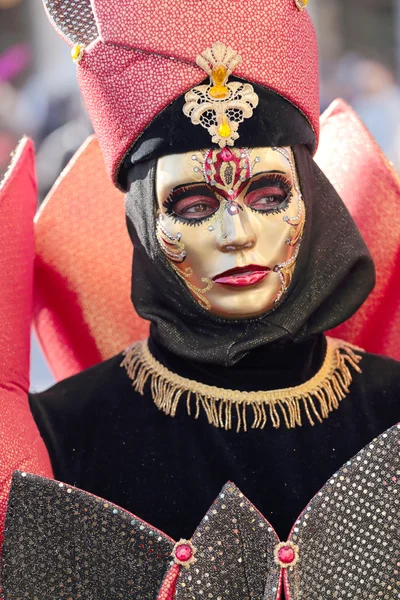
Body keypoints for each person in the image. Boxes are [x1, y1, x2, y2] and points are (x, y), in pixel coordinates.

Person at [1, 0, 400, 597]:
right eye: (194, 206)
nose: (236, 235)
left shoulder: (391, 407)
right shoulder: (63, 434)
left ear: (311, 202)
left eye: (267, 195)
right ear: (142, 222)